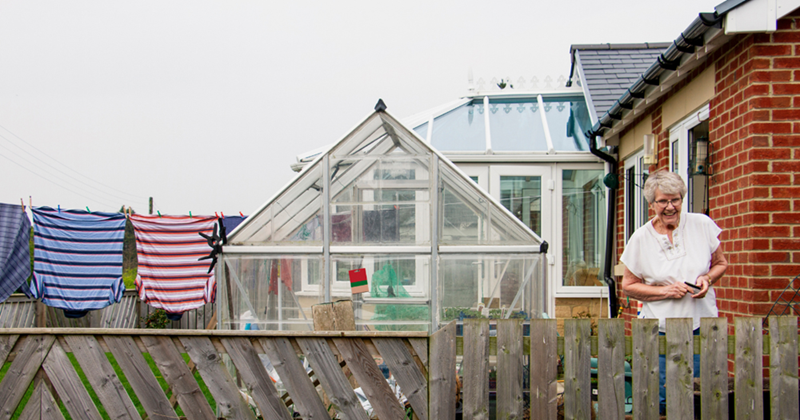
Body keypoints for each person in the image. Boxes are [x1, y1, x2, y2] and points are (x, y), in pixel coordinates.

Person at [620, 170, 728, 413]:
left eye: (675, 200)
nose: (670, 207)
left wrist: (707, 278)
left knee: (700, 395)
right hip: (659, 330)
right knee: (660, 399)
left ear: (682, 199)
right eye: (663, 201)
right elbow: (628, 285)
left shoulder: (702, 225)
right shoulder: (640, 238)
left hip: (701, 326)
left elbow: (721, 263)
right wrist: (666, 291)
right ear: (651, 204)